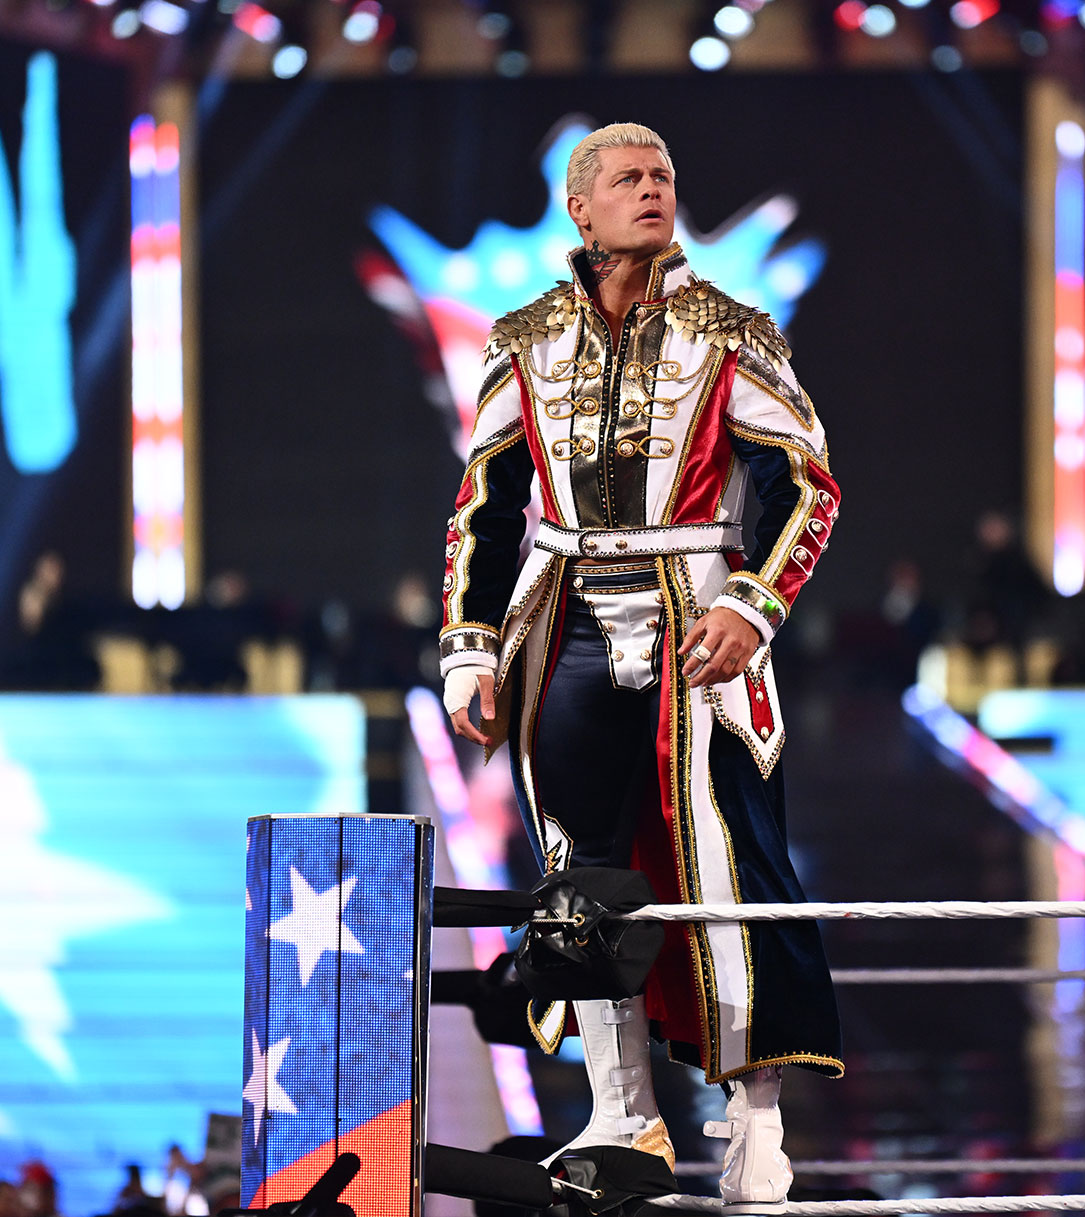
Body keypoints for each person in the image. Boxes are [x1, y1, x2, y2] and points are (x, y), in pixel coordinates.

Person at [439, 122, 842, 1211]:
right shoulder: (520, 339)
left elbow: (807, 485)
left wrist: (754, 608)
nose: (652, 189)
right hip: (562, 610)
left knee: (733, 861)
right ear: (582, 208)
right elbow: (485, 502)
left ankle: (756, 1112)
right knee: (582, 874)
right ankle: (624, 1109)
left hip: (697, 611)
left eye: (663, 173)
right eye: (628, 177)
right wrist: (469, 649)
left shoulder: (730, 328)